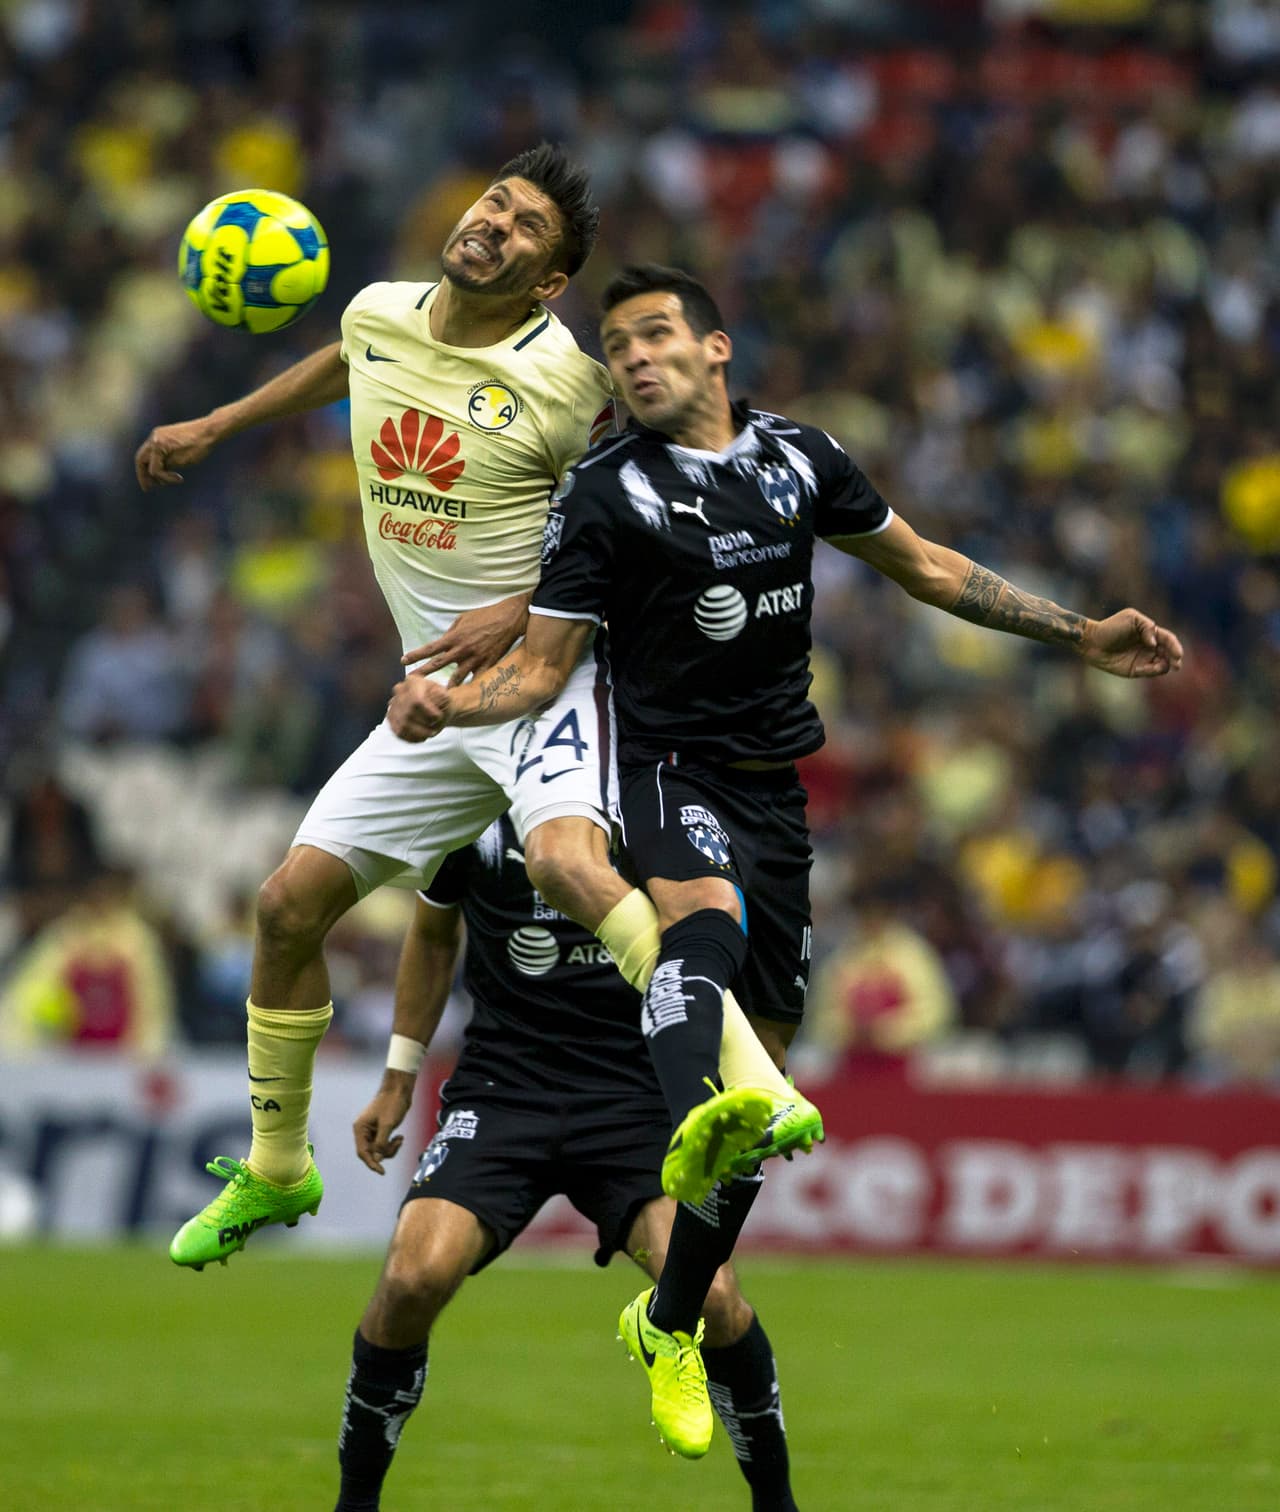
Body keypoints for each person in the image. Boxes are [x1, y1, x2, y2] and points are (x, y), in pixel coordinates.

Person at [386, 260, 1186, 1432]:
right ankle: (697, 1110)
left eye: (656, 334)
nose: (635, 357)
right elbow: (542, 670)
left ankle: (666, 1319)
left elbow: (927, 568)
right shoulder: (603, 493)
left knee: (754, 1110)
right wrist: (447, 706)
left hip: (776, 799)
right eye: (618, 344)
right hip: (665, 771)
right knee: (697, 928)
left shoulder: (802, 459)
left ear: (714, 349)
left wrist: (1078, 634)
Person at [135, 155, 811, 1271]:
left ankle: (755, 1085)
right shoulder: (377, 313)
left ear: (548, 282)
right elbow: (345, 360)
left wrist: (526, 602)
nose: (495, 221)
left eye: (527, 225)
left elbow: (637, 506)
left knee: (565, 866)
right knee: (287, 907)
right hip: (438, 698)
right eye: (496, 201)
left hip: (549, 678)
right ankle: (277, 1166)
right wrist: (220, 423)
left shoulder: (567, 382)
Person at [335, 816, 801, 1503]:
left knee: (715, 1300)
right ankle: (354, 1502)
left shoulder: (651, 811)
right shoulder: (475, 811)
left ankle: (777, 1502)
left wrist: (758, 1065)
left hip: (636, 1097)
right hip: (503, 1093)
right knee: (411, 1278)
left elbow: (722, 938)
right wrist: (399, 1077)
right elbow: (432, 935)